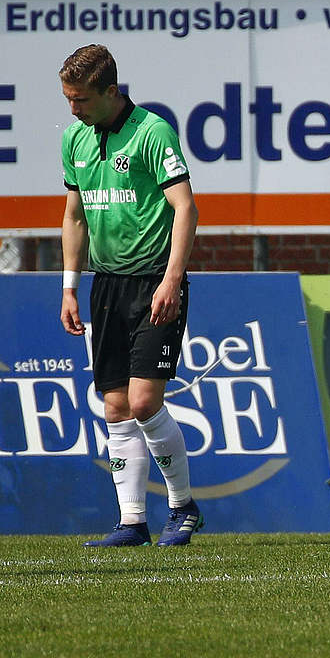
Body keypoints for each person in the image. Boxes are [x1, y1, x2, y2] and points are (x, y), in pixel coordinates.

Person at [58, 44, 205, 547]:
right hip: (106, 285)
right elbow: (74, 216)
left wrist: (170, 279)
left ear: (110, 92)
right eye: (68, 98)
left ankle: (183, 508)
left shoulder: (152, 132)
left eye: (80, 99)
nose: (72, 108)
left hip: (153, 283)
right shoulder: (75, 140)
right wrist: (70, 286)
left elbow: (185, 209)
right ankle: (132, 521)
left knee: (144, 402)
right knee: (115, 406)